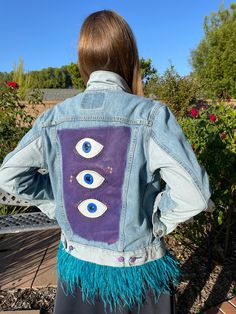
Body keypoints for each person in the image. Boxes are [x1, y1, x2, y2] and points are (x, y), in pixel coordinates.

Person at [0, 9, 214, 314]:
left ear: (84, 59)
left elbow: (9, 176)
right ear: (129, 56)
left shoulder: (52, 119)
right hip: (138, 278)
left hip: (77, 275)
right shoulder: (151, 116)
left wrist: (59, 206)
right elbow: (195, 194)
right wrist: (156, 223)